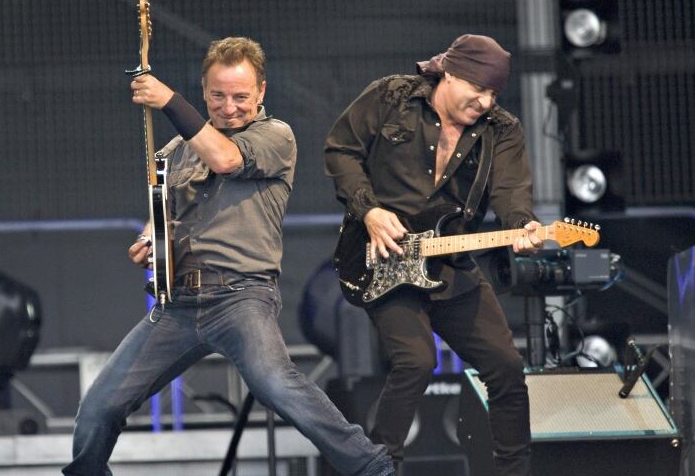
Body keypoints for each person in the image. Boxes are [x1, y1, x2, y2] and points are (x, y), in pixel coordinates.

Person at [63, 37, 394, 476]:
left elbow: (224, 159)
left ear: (261, 92)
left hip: (242, 297)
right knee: (98, 408)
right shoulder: (173, 154)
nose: (229, 106)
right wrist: (148, 243)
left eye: (240, 96)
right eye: (218, 96)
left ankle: (373, 469)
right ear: (205, 91)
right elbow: (161, 221)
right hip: (178, 303)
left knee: (278, 385)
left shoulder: (276, 137)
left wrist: (169, 101)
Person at [324, 34, 542, 475]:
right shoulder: (391, 96)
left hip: (451, 264)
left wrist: (522, 226)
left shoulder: (502, 130)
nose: (484, 101)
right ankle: (380, 467)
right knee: (416, 361)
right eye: (477, 89)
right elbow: (341, 151)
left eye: (494, 93)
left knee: (505, 366)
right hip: (382, 257)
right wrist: (369, 210)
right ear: (450, 72)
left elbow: (511, 193)